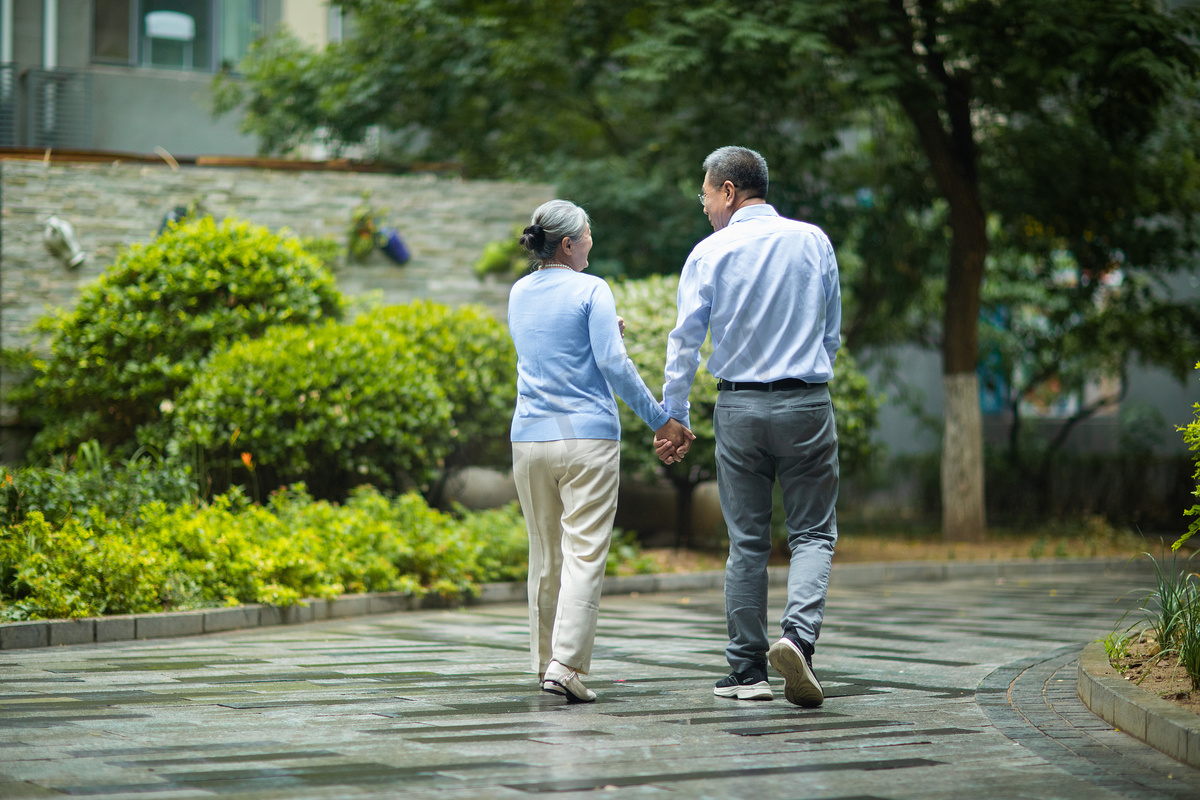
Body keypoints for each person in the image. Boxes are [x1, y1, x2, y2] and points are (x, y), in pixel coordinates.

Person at [657, 146, 841, 707]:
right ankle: (798, 642)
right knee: (812, 533)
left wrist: (675, 417)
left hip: (738, 409)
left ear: (730, 190)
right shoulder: (814, 241)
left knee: (747, 542)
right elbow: (830, 331)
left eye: (706, 194)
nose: (705, 205)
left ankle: (746, 674)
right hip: (806, 403)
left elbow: (685, 343)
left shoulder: (709, 252)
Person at [509, 199, 692, 704]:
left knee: (544, 555)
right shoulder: (593, 289)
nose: (593, 241)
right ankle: (565, 665)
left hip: (528, 439)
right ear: (568, 244)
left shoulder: (519, 291)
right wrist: (663, 420)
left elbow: (551, 354)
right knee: (584, 552)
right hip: (586, 440)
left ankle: (544, 660)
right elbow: (611, 364)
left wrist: (605, 338)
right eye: (588, 234)